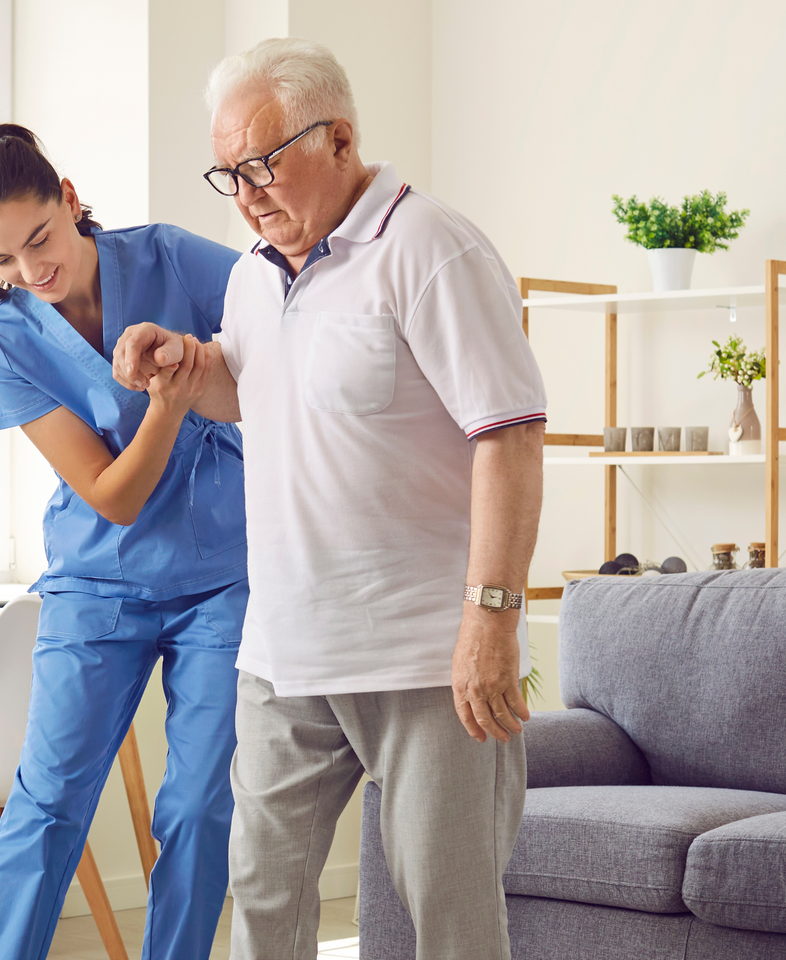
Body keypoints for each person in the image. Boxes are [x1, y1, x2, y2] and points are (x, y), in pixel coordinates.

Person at [113, 39, 547, 960]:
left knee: (450, 917)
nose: (246, 193)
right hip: (285, 656)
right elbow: (256, 386)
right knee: (264, 903)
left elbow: (508, 435)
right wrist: (191, 368)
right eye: (228, 173)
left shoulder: (431, 247)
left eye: (264, 164)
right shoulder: (250, 275)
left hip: (427, 658)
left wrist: (492, 622)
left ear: (340, 139)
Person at [0, 123, 248, 960]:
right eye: (2, 259)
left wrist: (200, 358)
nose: (29, 271)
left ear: (71, 201)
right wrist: (170, 402)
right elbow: (112, 498)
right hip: (98, 583)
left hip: (224, 576)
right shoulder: (5, 340)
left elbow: (289, 328)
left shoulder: (173, 258)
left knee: (196, 806)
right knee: (47, 803)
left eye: (39, 238)